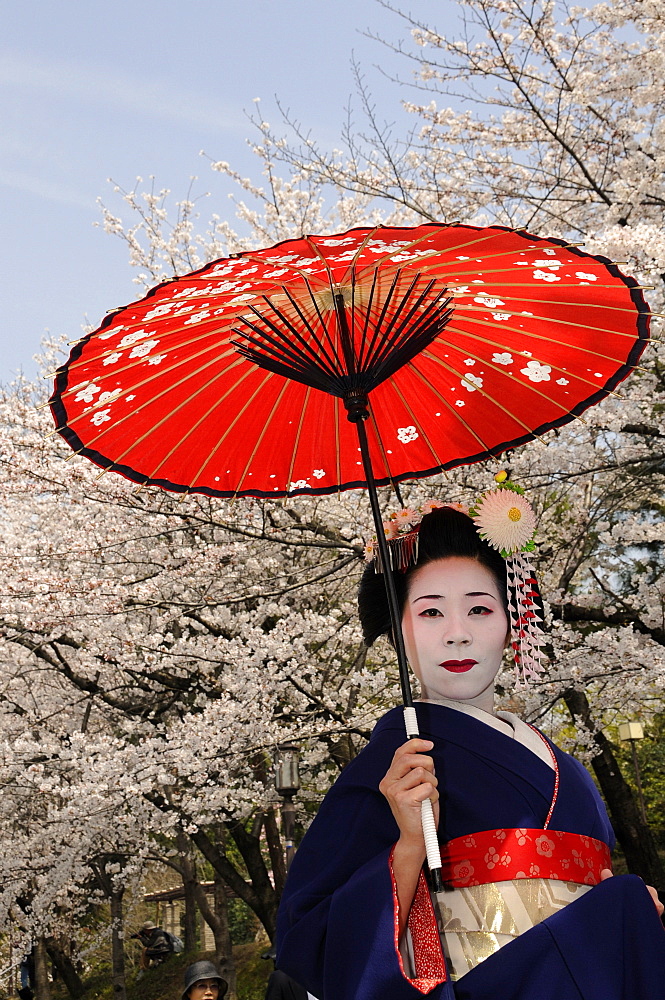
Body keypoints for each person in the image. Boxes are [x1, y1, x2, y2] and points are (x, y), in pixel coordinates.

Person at [275, 490, 665, 999]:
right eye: (431, 613)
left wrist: (630, 909)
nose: (457, 634)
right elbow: (312, 939)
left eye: (479, 609)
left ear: (512, 622)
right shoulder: (392, 768)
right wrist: (410, 846)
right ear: (399, 630)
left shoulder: (569, 771)